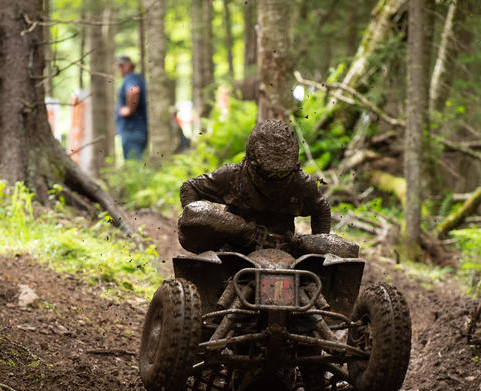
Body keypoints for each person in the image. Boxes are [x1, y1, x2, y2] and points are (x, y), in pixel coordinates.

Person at [177, 119, 333, 255]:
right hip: (233, 250)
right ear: (250, 161)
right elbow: (189, 188)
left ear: (294, 166)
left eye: (281, 175)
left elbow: (322, 210)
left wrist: (316, 253)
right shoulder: (232, 176)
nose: (274, 181)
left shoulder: (301, 184)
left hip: (283, 252)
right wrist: (207, 232)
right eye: (269, 175)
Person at [114, 55, 147, 160]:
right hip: (136, 130)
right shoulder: (137, 78)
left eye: (121, 66)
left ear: (128, 66)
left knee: (133, 166)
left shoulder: (131, 78)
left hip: (132, 130)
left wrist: (129, 109)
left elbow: (134, 90)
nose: (119, 69)